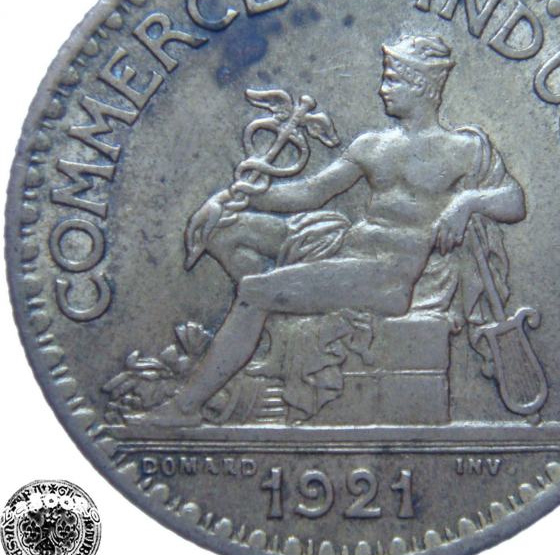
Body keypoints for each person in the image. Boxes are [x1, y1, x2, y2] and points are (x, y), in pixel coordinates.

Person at [148, 34, 525, 425]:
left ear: (422, 86)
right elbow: (310, 193)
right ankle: (269, 330)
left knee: (254, 292)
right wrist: (231, 198)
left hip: (388, 277)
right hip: (346, 247)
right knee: (226, 229)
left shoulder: (465, 148)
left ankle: (186, 407)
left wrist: (467, 202)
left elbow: (514, 201)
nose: (382, 89)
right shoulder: (372, 145)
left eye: (392, 80)